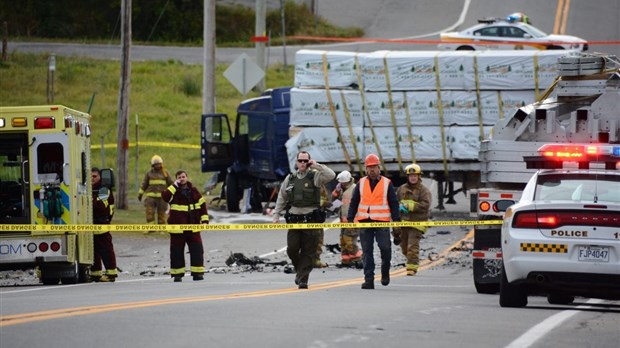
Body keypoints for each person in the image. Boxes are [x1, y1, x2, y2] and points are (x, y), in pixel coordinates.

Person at [272, 151, 335, 289]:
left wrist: (316, 165)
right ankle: (300, 270)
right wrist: (276, 214)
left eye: (305, 161)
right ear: (296, 162)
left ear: (309, 162)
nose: (302, 163)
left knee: (309, 251)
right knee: (292, 249)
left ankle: (303, 278)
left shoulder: (315, 176)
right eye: (300, 160)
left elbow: (331, 175)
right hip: (295, 220)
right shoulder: (290, 178)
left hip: (311, 220)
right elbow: (282, 197)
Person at [347, 154, 400, 290]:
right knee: (367, 252)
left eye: (374, 167)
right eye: (369, 167)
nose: (372, 170)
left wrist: (397, 221)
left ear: (379, 168)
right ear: (366, 169)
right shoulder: (361, 183)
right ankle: (368, 280)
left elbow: (394, 203)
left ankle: (385, 272)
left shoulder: (386, 183)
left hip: (382, 222)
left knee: (385, 248)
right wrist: (350, 218)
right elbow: (354, 201)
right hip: (365, 222)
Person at [161, 170, 209, 282]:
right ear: (176, 179)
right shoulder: (173, 191)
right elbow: (165, 197)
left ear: (187, 177)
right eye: (179, 177)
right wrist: (174, 186)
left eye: (183, 177)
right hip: (177, 228)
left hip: (193, 227)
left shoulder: (194, 191)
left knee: (197, 250)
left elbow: (202, 205)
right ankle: (177, 275)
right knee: (176, 252)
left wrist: (205, 220)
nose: (182, 179)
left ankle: (197, 273)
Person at [393, 163, 432, 276]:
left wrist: (411, 206)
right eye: (411, 176)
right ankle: (412, 260)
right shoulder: (402, 189)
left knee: (412, 246)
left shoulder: (424, 191)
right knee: (404, 247)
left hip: (417, 224)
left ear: (419, 176)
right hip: (404, 223)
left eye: (415, 175)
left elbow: (426, 205)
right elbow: (396, 202)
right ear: (408, 177)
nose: (413, 178)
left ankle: (412, 268)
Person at [91, 167, 118, 282]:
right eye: (90, 176)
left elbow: (101, 206)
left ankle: (111, 274)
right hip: (91, 225)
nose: (92, 179)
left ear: (100, 177)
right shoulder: (88, 189)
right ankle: (95, 274)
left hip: (102, 224)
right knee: (94, 251)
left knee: (106, 250)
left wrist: (88, 202)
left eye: (95, 176)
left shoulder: (103, 190)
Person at [332, 170, 362, 267]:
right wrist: (336, 192)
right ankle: (346, 259)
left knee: (349, 240)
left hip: (353, 221)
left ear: (348, 181)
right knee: (343, 240)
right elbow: (336, 201)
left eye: (343, 182)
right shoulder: (342, 190)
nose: (342, 184)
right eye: (341, 182)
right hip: (343, 221)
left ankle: (358, 258)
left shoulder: (354, 189)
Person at [138, 155, 174, 233]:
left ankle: (161, 229)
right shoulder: (149, 173)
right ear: (153, 165)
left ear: (161, 164)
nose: (157, 165)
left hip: (162, 198)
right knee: (149, 213)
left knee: (161, 214)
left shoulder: (165, 173)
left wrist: (174, 194)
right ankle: (151, 228)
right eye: (156, 164)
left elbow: (171, 184)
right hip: (150, 197)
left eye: (159, 163)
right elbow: (144, 184)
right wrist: (140, 194)